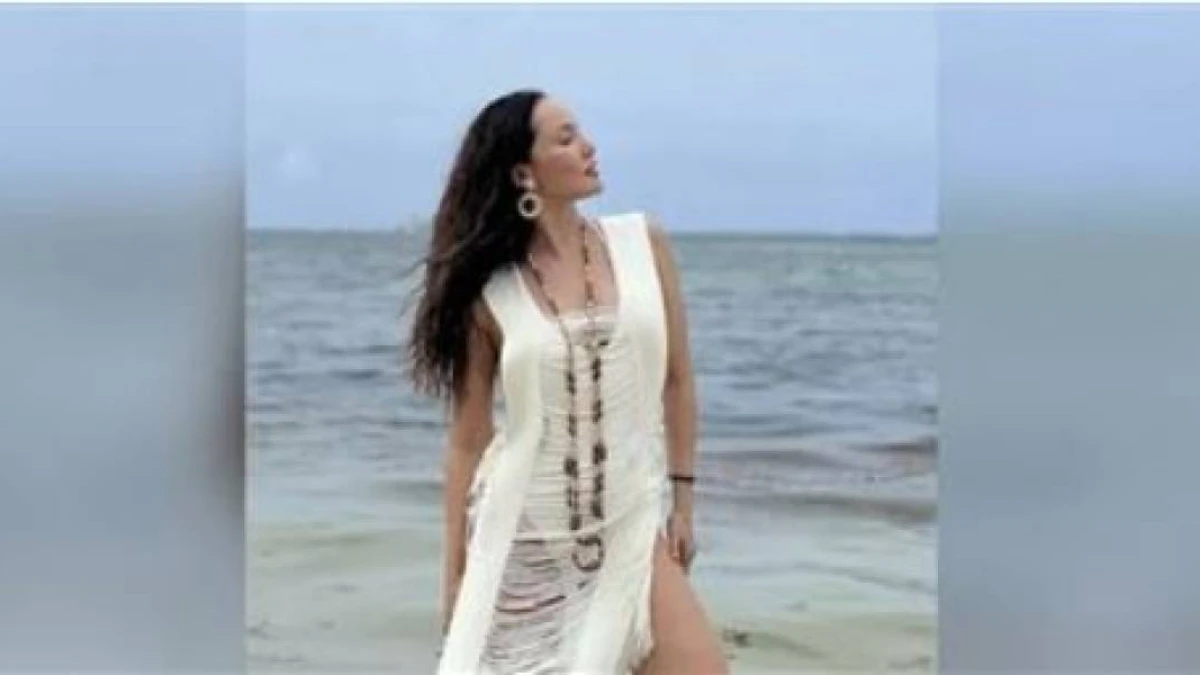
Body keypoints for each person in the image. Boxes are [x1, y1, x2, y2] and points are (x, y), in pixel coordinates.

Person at [405, 88, 728, 675]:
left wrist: (683, 502)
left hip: (631, 519)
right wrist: (455, 574)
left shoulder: (643, 243)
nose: (588, 147)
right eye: (566, 138)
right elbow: (469, 439)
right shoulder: (491, 289)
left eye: (580, 132)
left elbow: (678, 379)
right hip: (526, 534)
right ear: (523, 173)